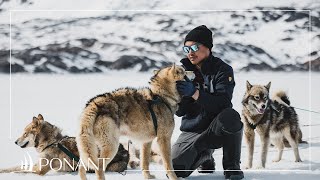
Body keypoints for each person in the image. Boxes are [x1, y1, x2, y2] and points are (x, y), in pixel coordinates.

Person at [172, 25, 244, 179]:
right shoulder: (181, 71)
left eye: (195, 48)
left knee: (231, 116)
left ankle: (232, 167)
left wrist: (195, 93)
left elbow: (223, 103)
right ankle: (204, 156)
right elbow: (179, 112)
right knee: (175, 169)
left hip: (216, 129)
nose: (190, 53)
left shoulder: (223, 70)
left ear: (208, 47)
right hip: (191, 132)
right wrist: (182, 96)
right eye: (186, 49)